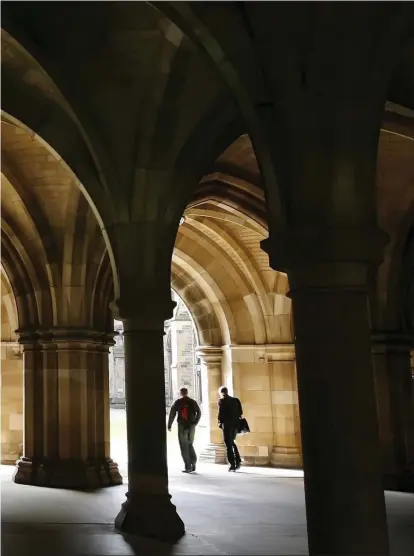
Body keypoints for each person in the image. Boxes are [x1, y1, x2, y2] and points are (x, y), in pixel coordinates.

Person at [168, 387, 201, 473]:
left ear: (181, 393)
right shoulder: (192, 402)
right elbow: (199, 412)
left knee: (184, 446)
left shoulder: (178, 402)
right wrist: (195, 422)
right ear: (186, 393)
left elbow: (172, 413)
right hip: (191, 425)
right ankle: (193, 462)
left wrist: (169, 425)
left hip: (183, 425)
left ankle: (188, 466)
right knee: (190, 444)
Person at [218, 386, 243, 471]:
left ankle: (233, 464)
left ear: (221, 393)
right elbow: (241, 412)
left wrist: (220, 422)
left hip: (227, 425)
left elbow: (220, 414)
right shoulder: (236, 400)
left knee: (228, 444)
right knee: (232, 442)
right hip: (235, 424)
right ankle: (238, 460)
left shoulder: (222, 401)